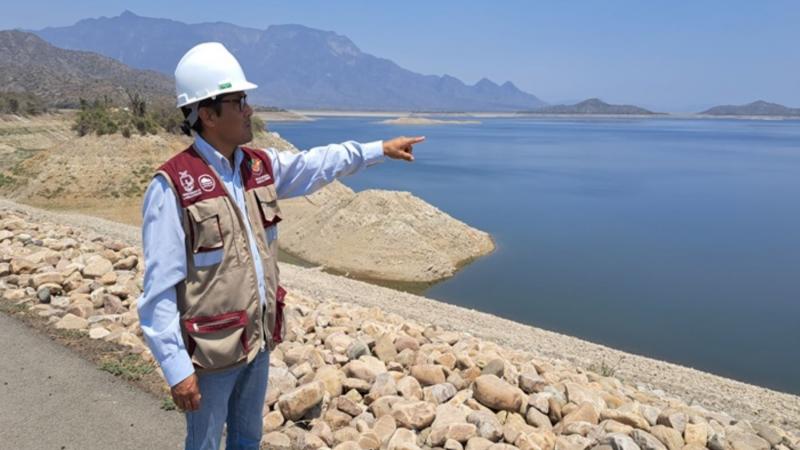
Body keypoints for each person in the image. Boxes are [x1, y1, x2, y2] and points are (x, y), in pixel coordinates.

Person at [136, 41, 424, 450]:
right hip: (212, 354)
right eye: (238, 101)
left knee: (247, 438)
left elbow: (316, 163)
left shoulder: (259, 167)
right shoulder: (173, 186)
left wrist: (378, 150)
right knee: (204, 444)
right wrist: (177, 368)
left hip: (256, 342)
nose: (249, 109)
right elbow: (159, 290)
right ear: (207, 114)